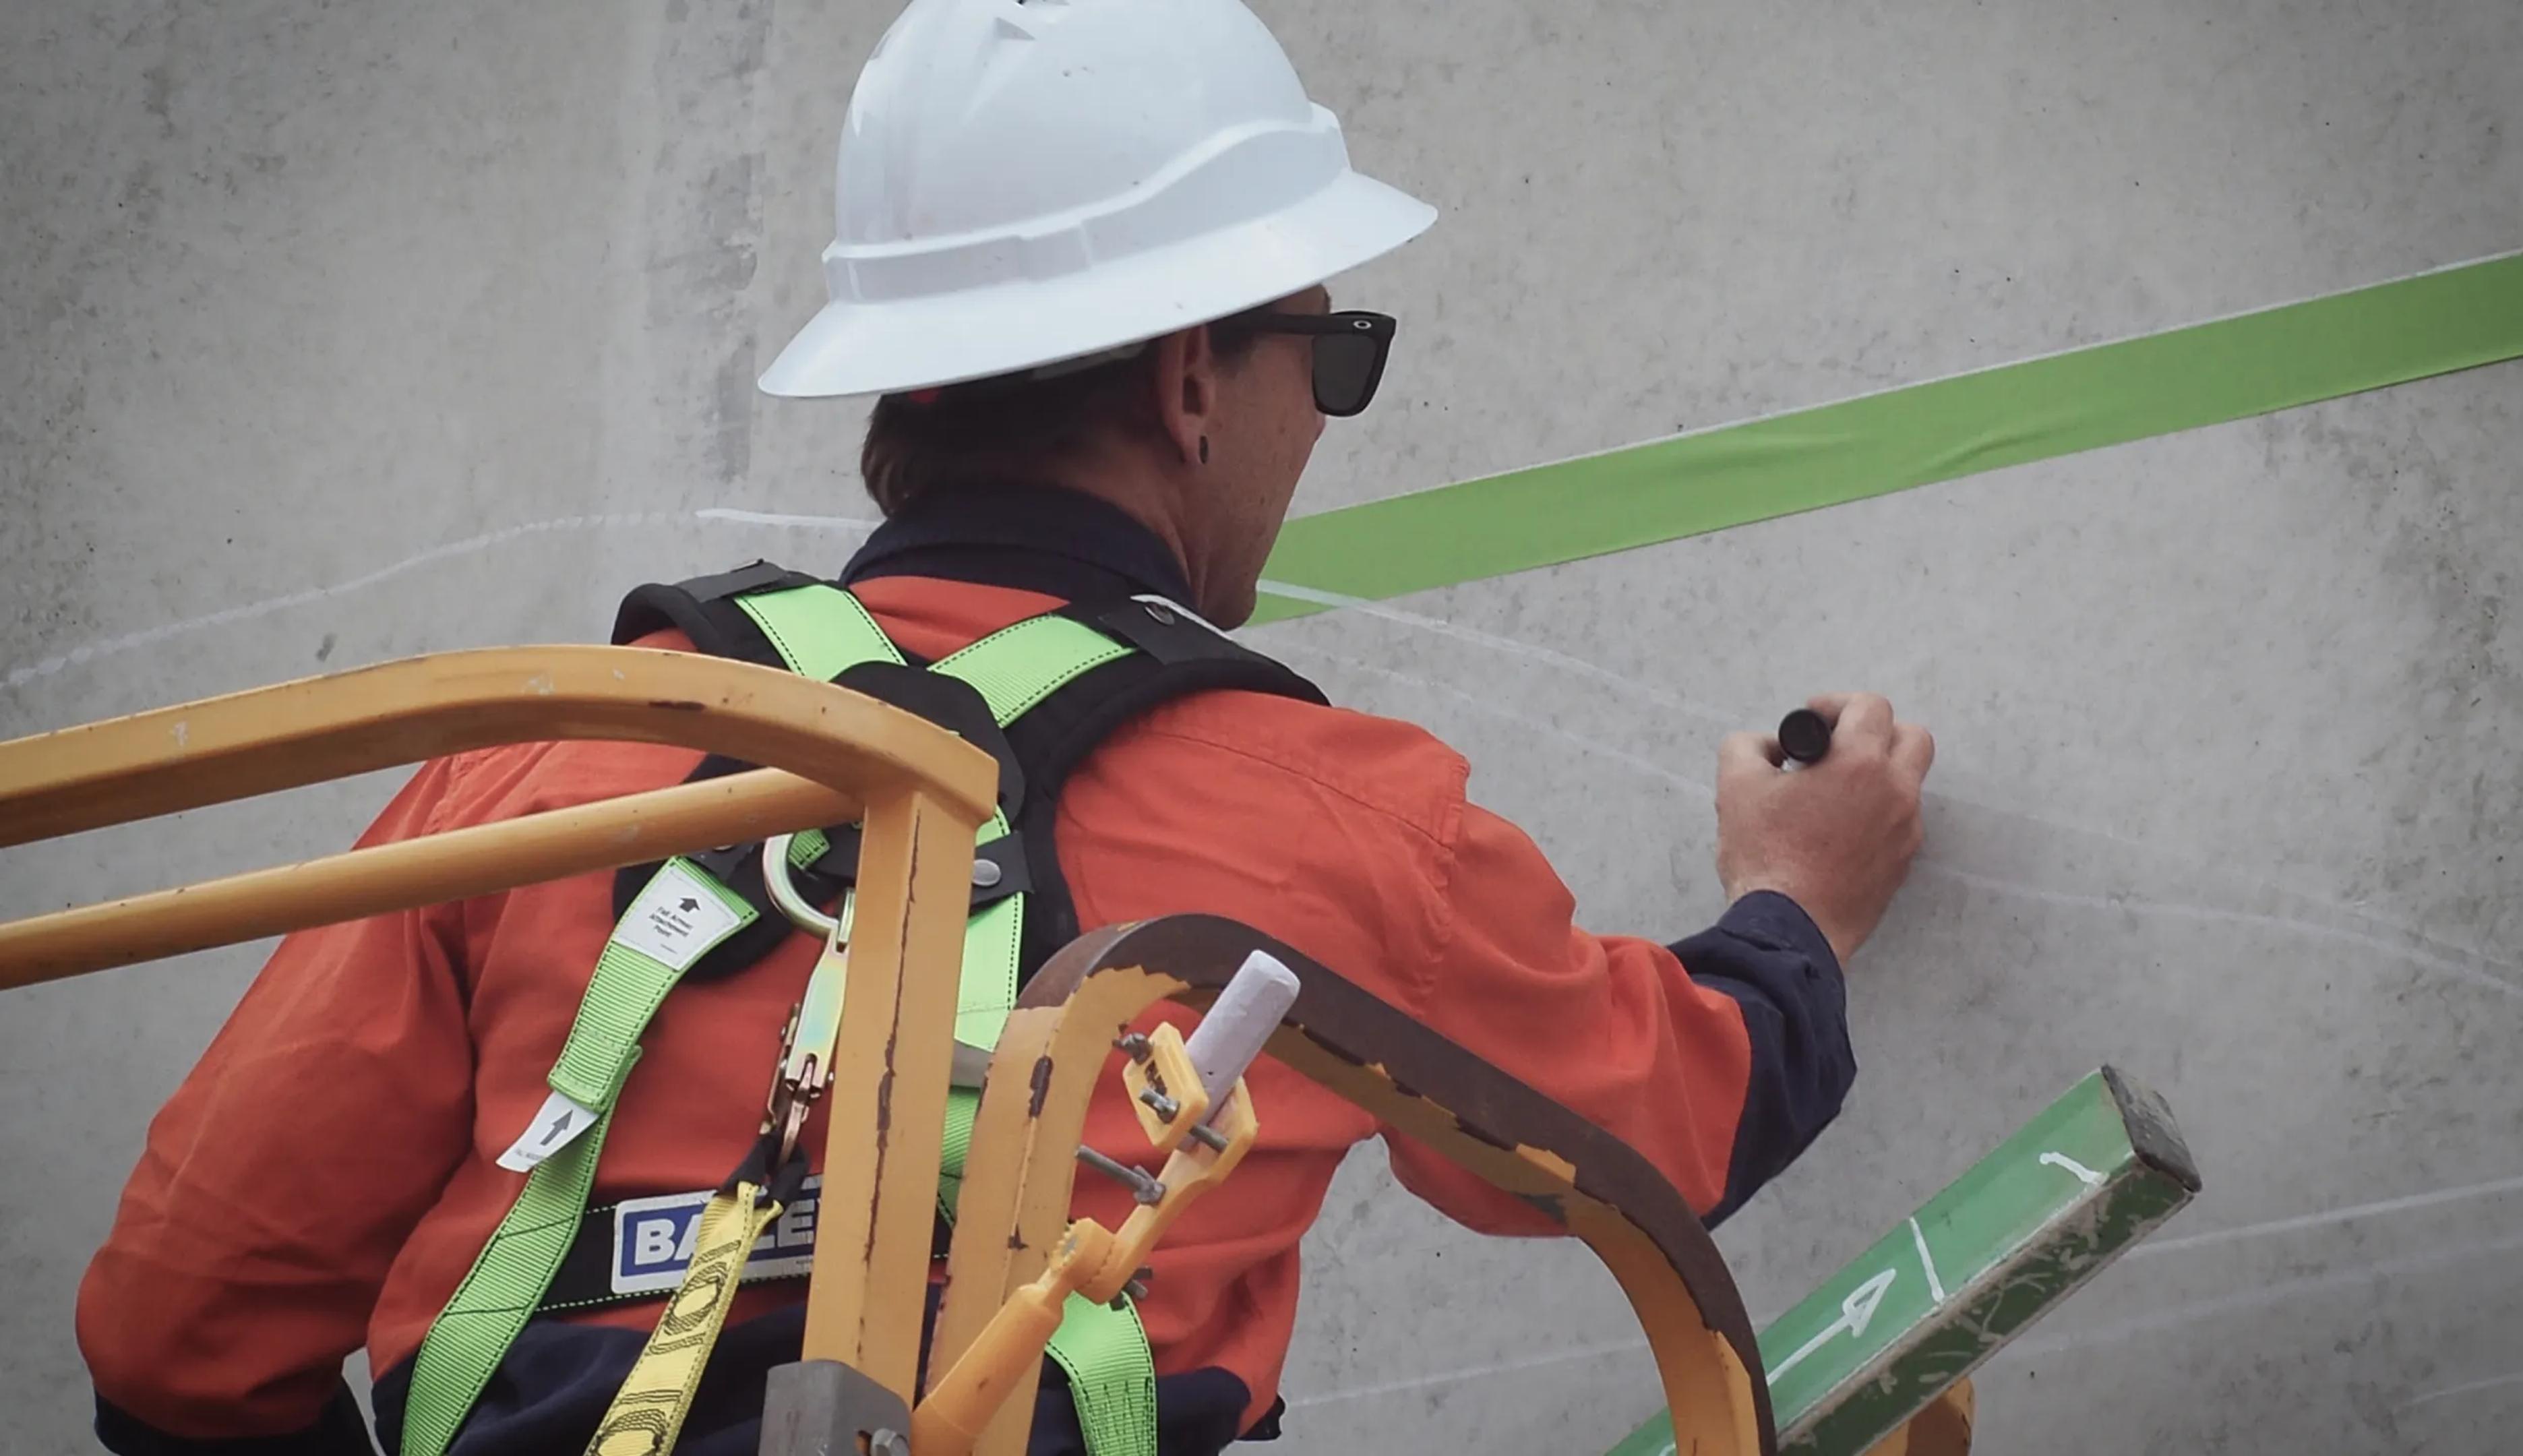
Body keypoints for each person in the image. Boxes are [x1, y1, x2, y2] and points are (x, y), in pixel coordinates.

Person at [75, 1, 1934, 1453]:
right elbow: (1655, 1133)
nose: (1320, 413)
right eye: (1330, 357)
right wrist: (1799, 905)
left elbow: (175, 1341)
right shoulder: (1333, 821)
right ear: (1195, 380)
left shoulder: (540, 769)